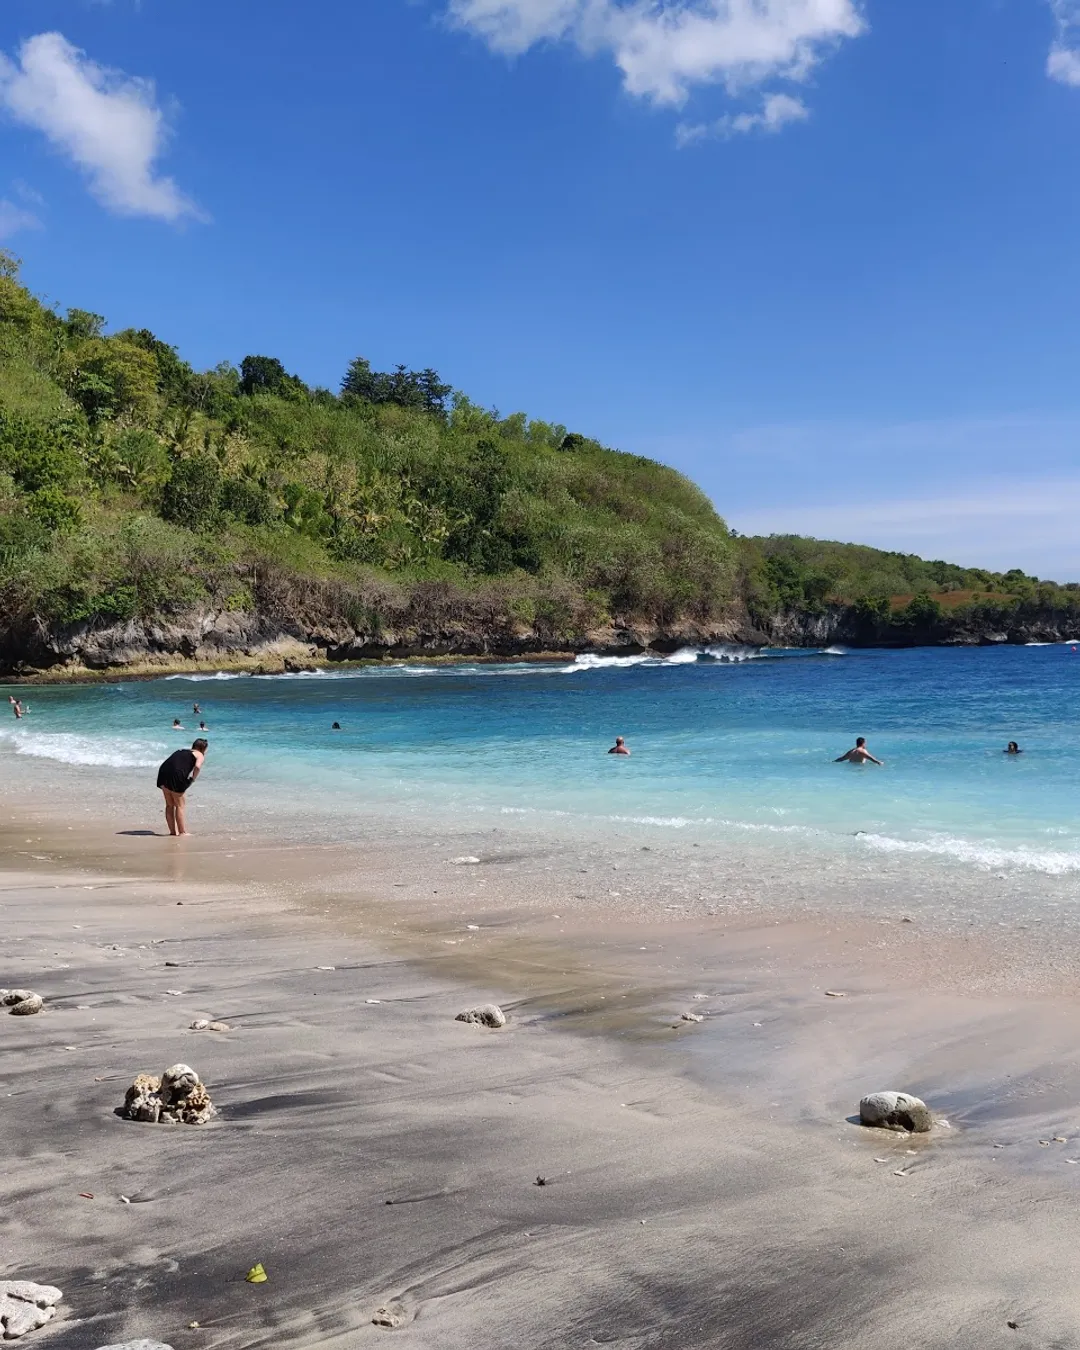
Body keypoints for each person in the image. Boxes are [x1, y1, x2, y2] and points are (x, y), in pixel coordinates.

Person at [156, 738, 208, 837]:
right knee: (180, 805)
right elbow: (197, 767)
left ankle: (172, 832)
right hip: (176, 775)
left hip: (163, 773)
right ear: (203, 748)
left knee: (169, 805)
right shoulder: (199, 754)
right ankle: (182, 832)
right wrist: (193, 779)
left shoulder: (182, 751)